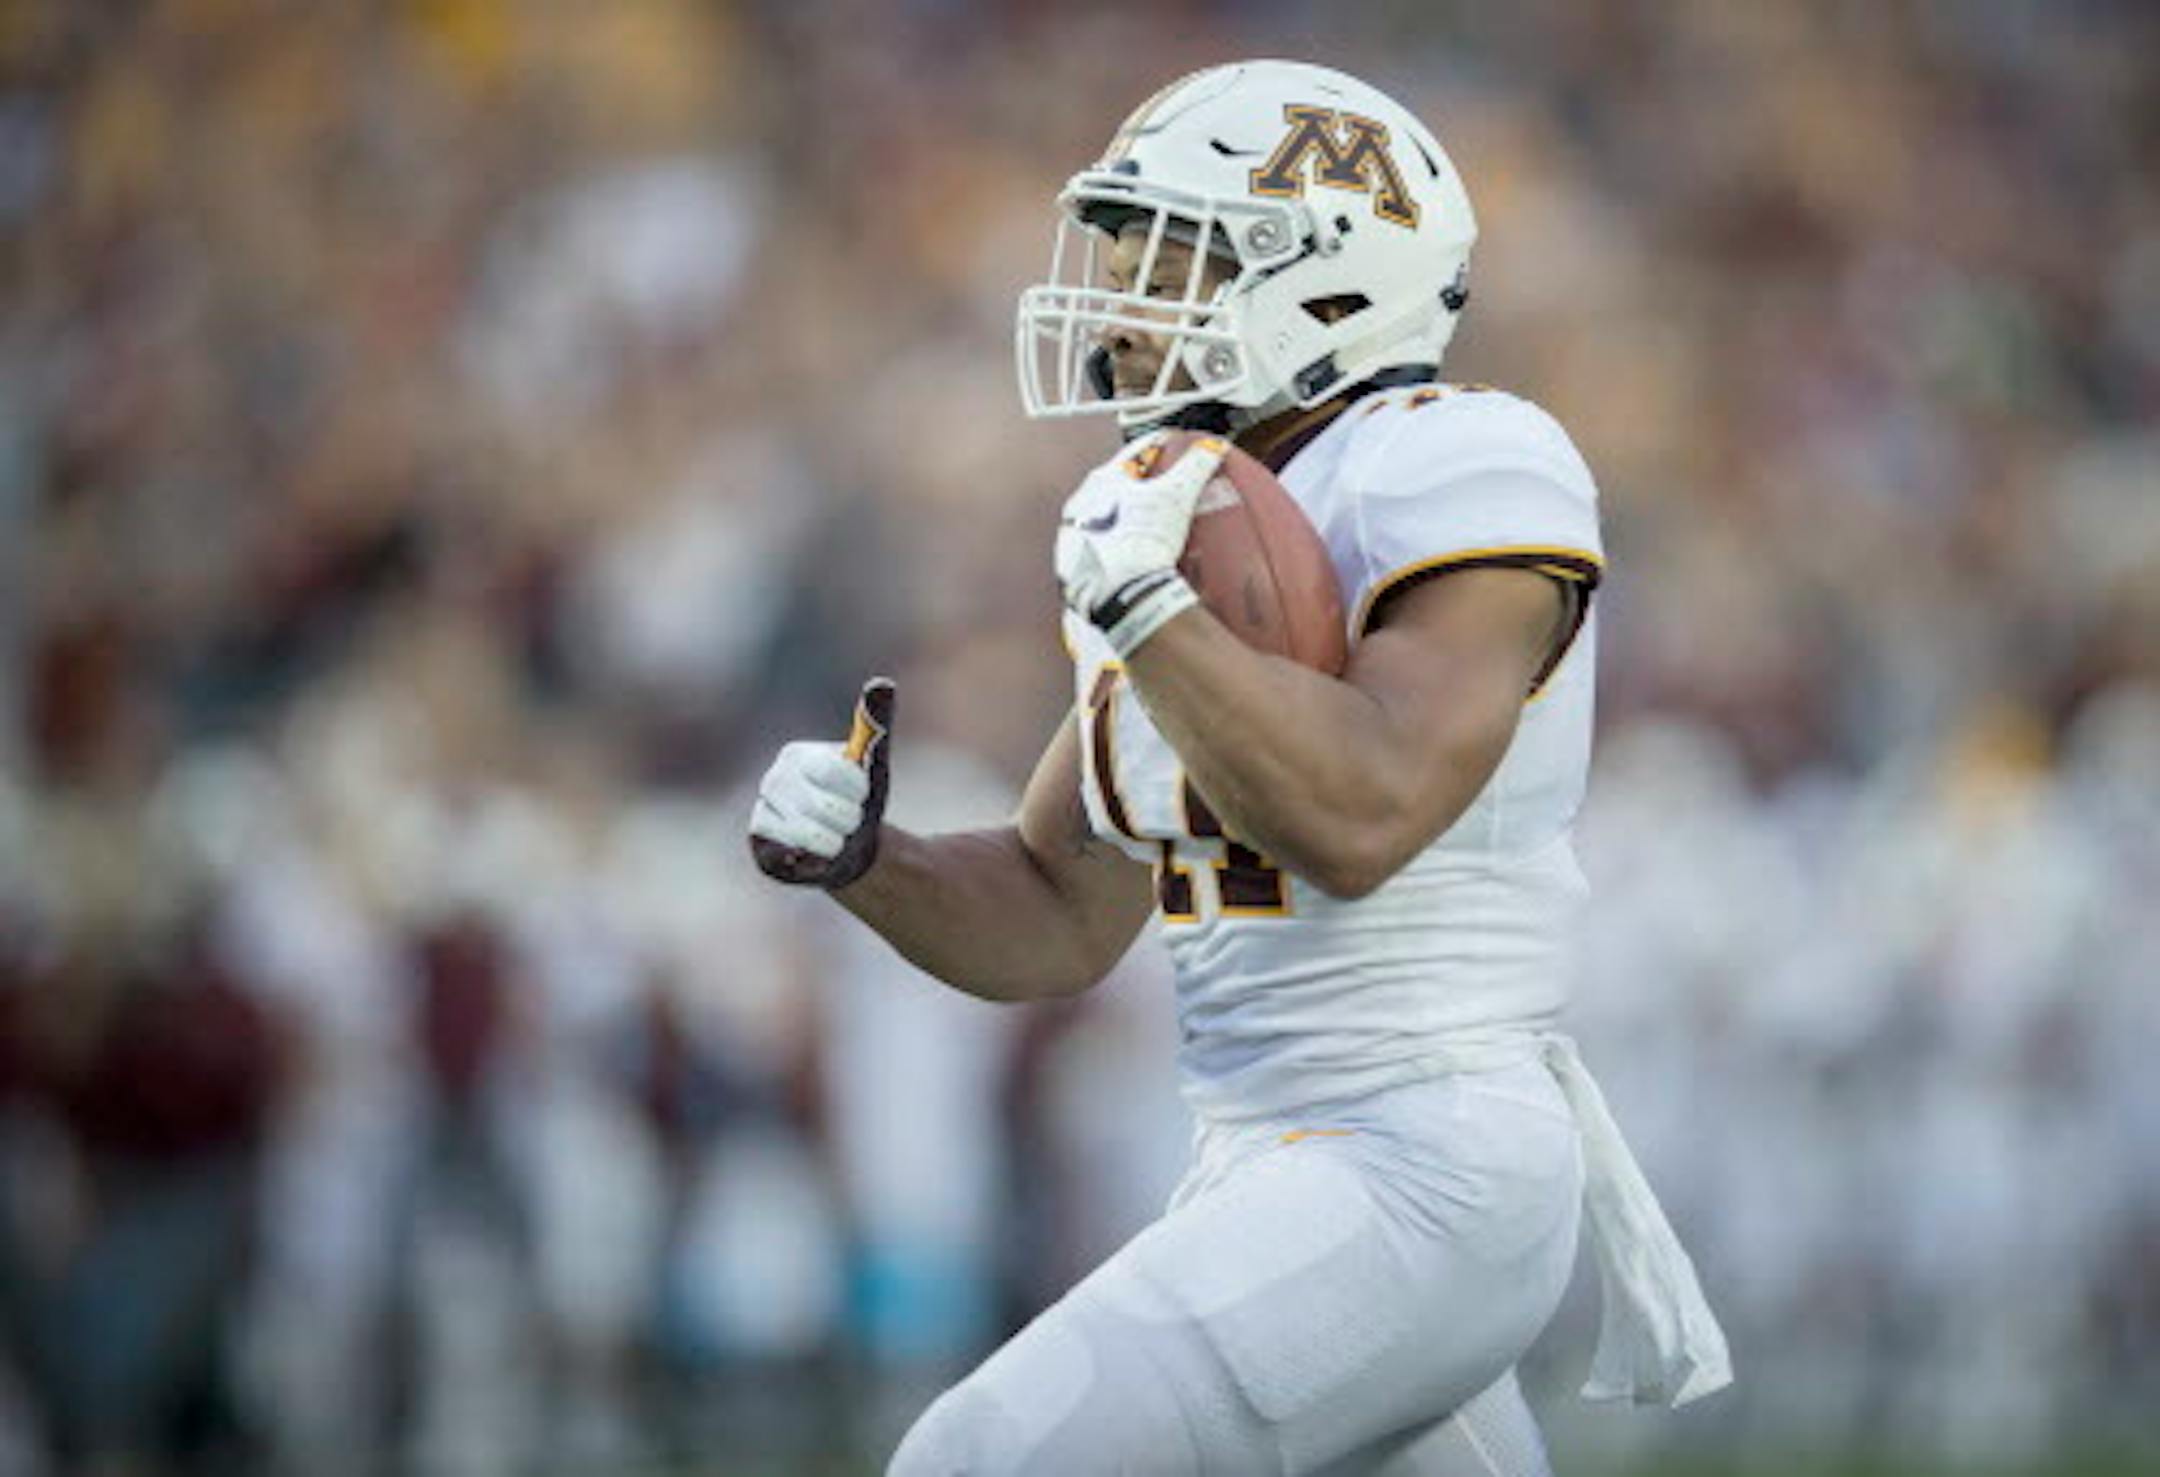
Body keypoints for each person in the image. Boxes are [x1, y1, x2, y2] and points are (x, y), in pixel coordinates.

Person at [749, 59, 1730, 1476]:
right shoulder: (1188, 517)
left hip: (1421, 1147)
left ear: (1326, 280)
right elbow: (1056, 909)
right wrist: (867, 859)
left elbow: (1363, 810)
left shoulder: (1459, 461)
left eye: (1167, 265)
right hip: (1259, 1151)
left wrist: (1157, 614)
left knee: (979, 1460)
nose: (1124, 313)